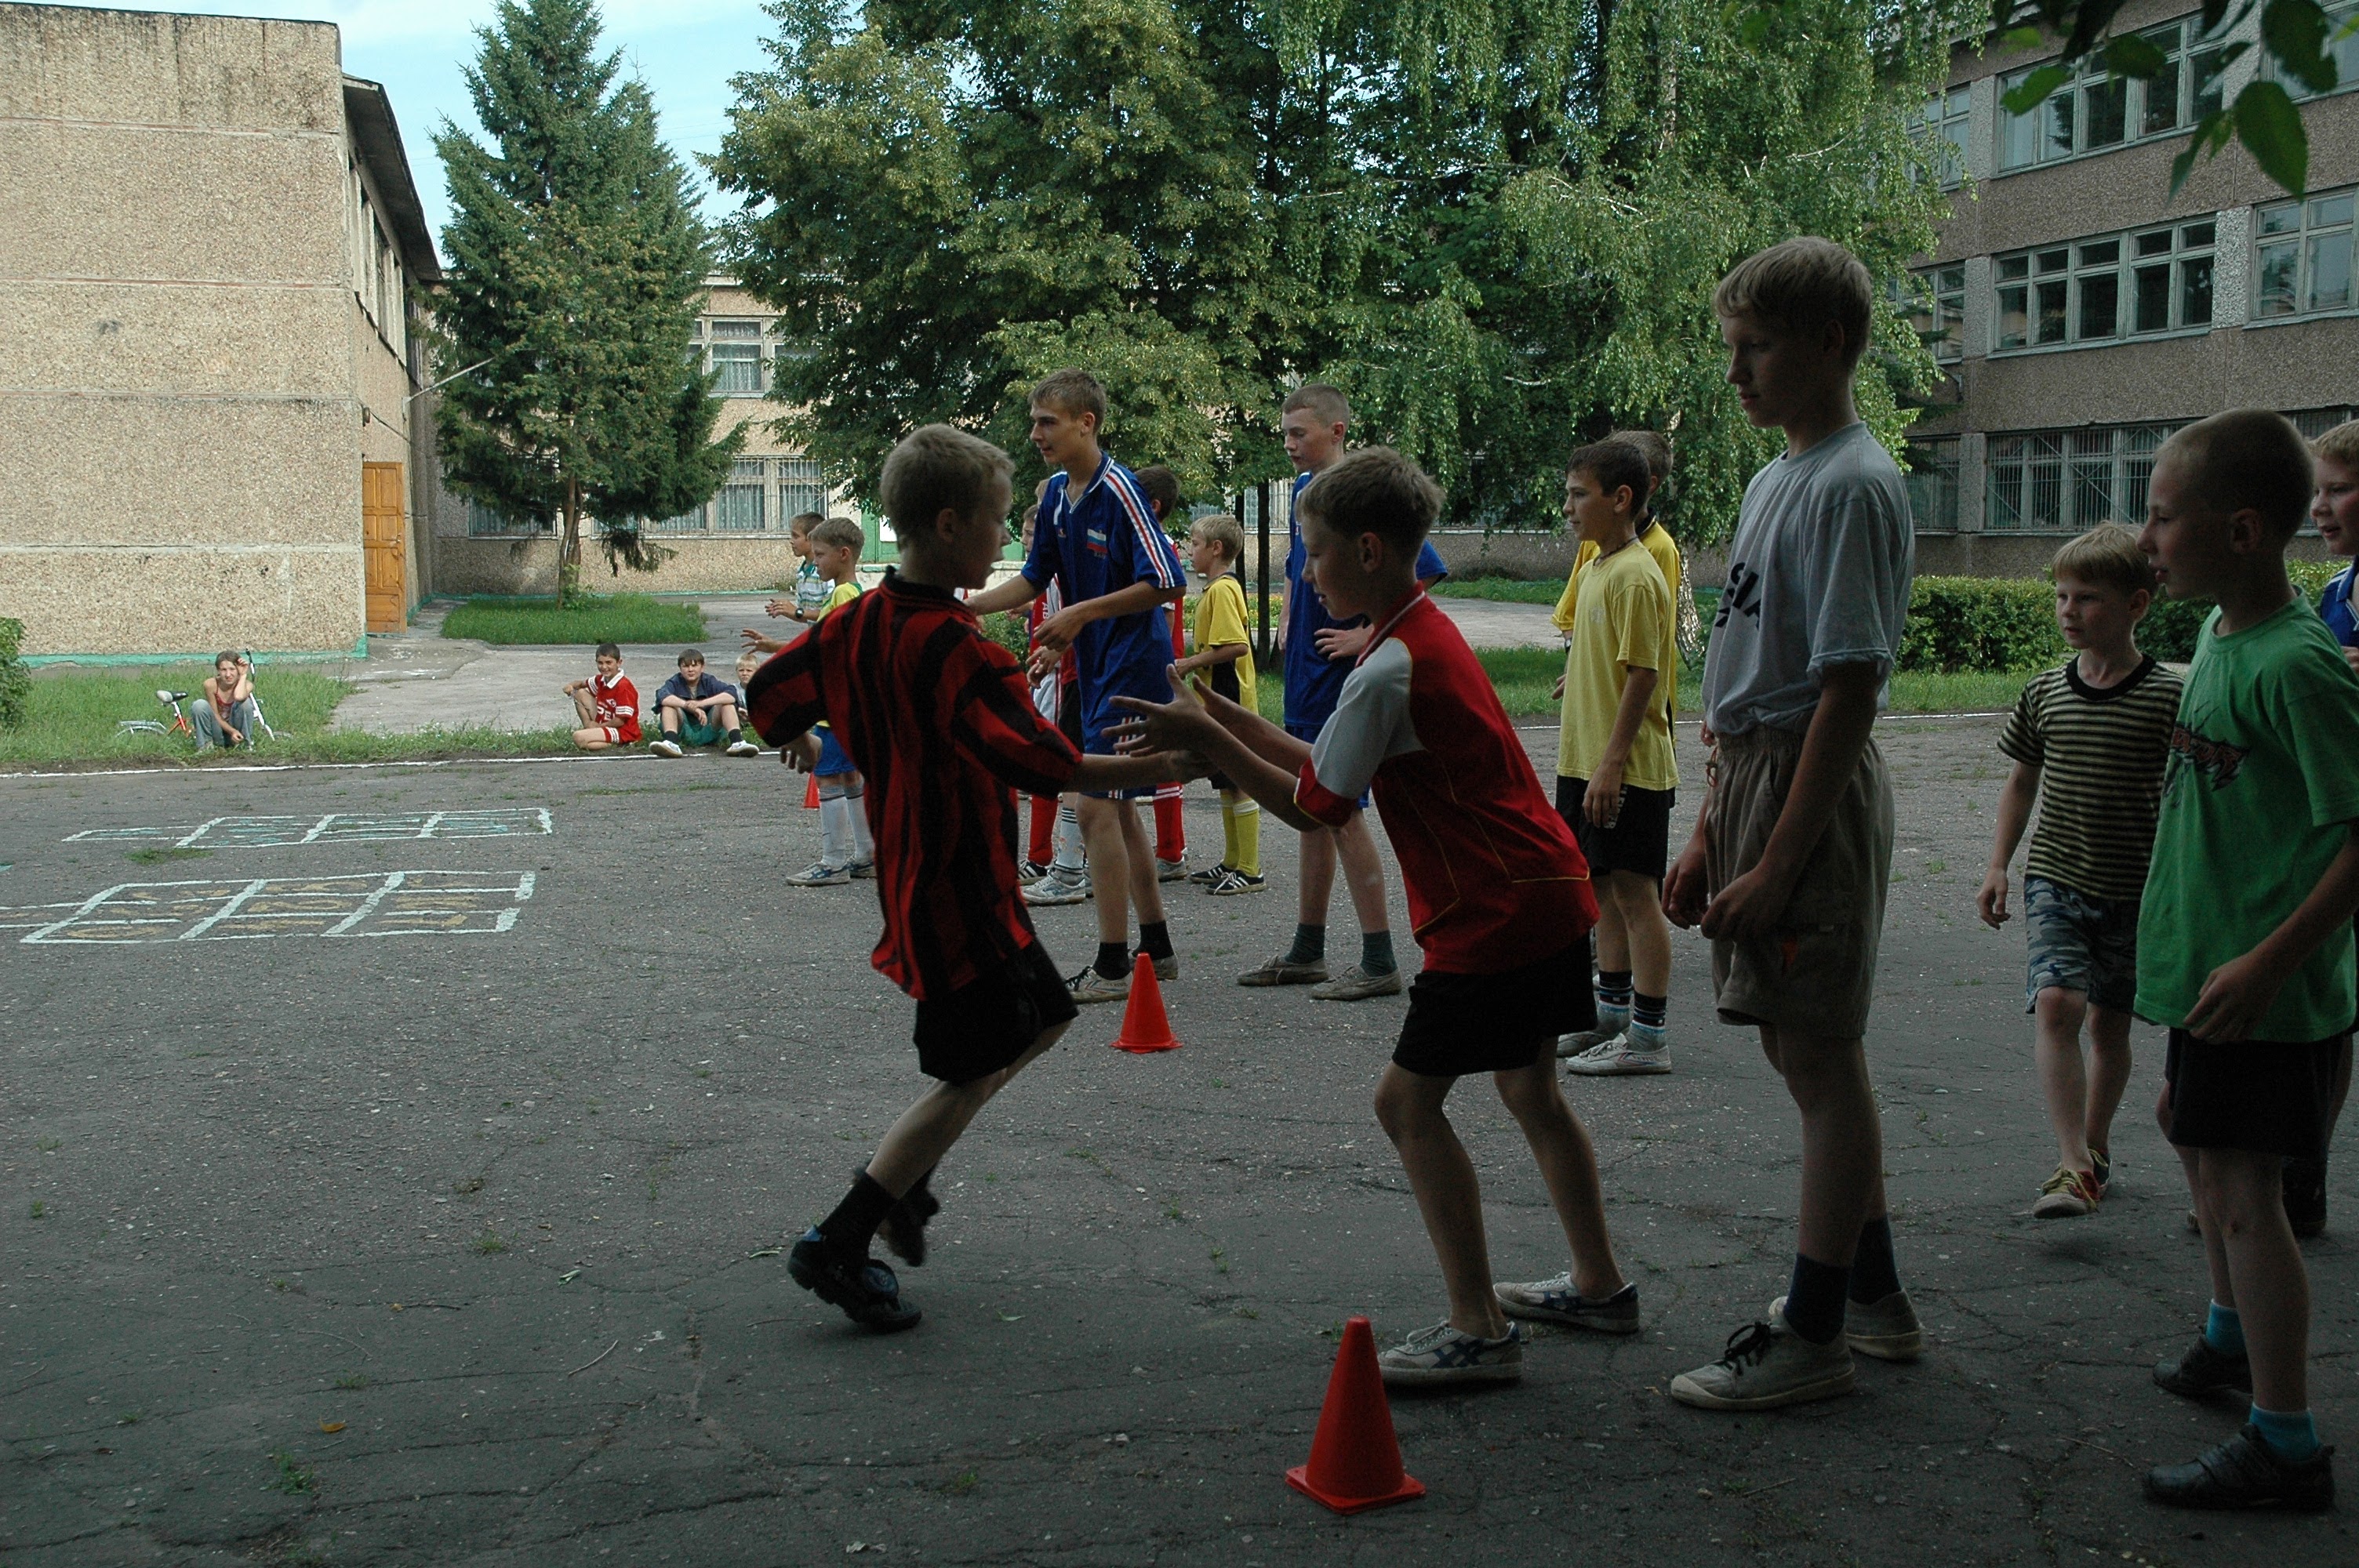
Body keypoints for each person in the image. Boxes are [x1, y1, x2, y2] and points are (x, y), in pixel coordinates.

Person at [1117, 446, 1634, 1387]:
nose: (1305, 573)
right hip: (1544, 888)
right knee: (1529, 1091)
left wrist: (1208, 741)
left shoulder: (1387, 666)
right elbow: (1326, 759)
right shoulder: (1416, 634)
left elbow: (1314, 807)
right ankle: (1598, 1283)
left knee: (1404, 1103)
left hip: (1494, 912)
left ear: (1364, 549)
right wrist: (1218, 723)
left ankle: (1477, 1329)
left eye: (1312, 553)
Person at [743, 423, 1199, 1332]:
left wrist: (792, 733)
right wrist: (1180, 759)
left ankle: (901, 1182)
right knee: (971, 1066)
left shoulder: (854, 623)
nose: (1005, 542)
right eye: (996, 521)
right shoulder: (960, 651)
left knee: (1046, 1017)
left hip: (943, 880)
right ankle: (846, 1232)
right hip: (952, 889)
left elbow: (767, 694)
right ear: (950, 525)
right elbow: (1048, 763)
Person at [1660, 238, 1921, 1410]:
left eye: (1756, 347)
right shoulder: (1779, 477)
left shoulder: (1853, 484)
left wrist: (1776, 860)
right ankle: (1873, 1298)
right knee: (1798, 1047)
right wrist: (1712, 831)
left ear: (1830, 342)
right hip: (1755, 775)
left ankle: (1814, 1330)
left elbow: (1846, 690)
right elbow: (1747, 671)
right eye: (1732, 348)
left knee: (1818, 1056)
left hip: (1808, 783)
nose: (1736, 373)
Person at [2135, 409, 2359, 1512]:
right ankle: (2229, 1339)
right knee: (2196, 1146)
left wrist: (2270, 962)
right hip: (2206, 976)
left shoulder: (2299, 665)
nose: (2145, 541)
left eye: (2161, 518)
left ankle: (2285, 1442)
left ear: (2240, 530)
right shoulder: (2221, 634)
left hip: (2259, 993)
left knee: (2242, 1199)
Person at [1974, 524, 2180, 1219]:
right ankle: (2071, 1163)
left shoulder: (2169, 696)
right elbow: (2021, 781)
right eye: (2062, 595)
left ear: (2137, 605)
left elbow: (2188, 794)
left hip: (2137, 888)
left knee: (2110, 1029)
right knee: (2059, 1003)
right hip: (2057, 877)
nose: (2069, 610)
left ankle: (2093, 1147)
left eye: (2087, 598)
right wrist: (1998, 865)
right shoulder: (2046, 692)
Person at [965, 368, 1188, 1004]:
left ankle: (1114, 966)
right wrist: (965, 608)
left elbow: (1167, 580)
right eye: (1034, 422)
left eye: (1048, 422)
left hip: (1133, 668)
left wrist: (1081, 615)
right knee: (1117, 807)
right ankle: (1157, 949)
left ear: (1087, 423)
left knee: (1093, 805)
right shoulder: (1059, 497)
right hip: (1094, 668)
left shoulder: (1121, 490)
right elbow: (1034, 578)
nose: (1036, 434)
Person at [1241, 383, 1448, 1002]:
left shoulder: (1360, 494)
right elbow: (1297, 571)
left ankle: (1379, 957)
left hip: (1337, 678)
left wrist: (1367, 634)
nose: (1288, 444)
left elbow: (1424, 569)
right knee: (1313, 807)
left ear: (1336, 432)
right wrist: (1286, 621)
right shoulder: (1307, 491)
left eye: (1298, 433)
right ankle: (1308, 948)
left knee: (1342, 812)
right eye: (1284, 433)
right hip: (1305, 675)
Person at [1551, 428, 1686, 1062]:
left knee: (1636, 896)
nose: (1569, 507)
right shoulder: (1598, 568)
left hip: (1624, 769)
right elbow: (1609, 657)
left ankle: (1649, 1035)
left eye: (1580, 495)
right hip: (1584, 762)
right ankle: (1609, 1018)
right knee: (1600, 890)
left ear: (1622, 498)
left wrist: (1611, 766)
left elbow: (1645, 675)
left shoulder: (1635, 574)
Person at [2284, 418, 2359, 1237]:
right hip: (2335, 827)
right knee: (2333, 1005)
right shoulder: (2334, 594)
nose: (2320, 507)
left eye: (2339, 489)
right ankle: (2305, 1167)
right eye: (2317, 490)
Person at [765, 516, 876, 885]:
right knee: (850, 775)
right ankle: (866, 855)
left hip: (835, 707)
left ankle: (833, 862)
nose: (815, 562)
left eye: (820, 555)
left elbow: (827, 648)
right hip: (850, 705)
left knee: (828, 777)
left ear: (844, 554)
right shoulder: (852, 592)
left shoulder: (843, 595)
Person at [1172, 512, 1263, 895]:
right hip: (1220, 701)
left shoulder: (1223, 590)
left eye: (1195, 544)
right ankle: (1232, 861)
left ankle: (1251, 869)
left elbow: (1237, 647)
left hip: (1231, 700)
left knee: (1239, 781)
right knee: (1226, 781)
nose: (1189, 551)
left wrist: (1190, 663)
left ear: (1216, 549)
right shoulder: (1216, 589)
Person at [1135, 464, 1193, 883]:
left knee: (1162, 753)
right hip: (1151, 663)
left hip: (1158, 666)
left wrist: (1162, 665)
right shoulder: (1145, 544)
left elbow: (1166, 614)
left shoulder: (1160, 548)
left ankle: (1171, 850)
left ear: (1152, 506)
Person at [649, 649, 759, 758]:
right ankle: (671, 742)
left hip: (709, 728)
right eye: (686, 666)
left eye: (694, 666)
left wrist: (700, 704)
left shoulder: (709, 681)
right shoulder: (674, 682)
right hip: (682, 729)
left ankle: (737, 742)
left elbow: (731, 694)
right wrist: (689, 706)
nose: (690, 670)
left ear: (702, 667)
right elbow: (662, 696)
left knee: (726, 703)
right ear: (680, 669)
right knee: (668, 706)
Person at [564, 642, 640, 752]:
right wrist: (570, 686)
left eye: (609, 663)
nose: (604, 667)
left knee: (578, 738)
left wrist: (599, 727)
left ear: (619, 663)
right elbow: (581, 684)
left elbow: (620, 721)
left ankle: (622, 744)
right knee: (580, 694)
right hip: (605, 722)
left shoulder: (624, 686)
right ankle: (589, 727)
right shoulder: (601, 679)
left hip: (622, 731)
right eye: (600, 663)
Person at [763, 511, 831, 630]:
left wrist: (796, 611)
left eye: (796, 536)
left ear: (812, 539)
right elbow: (805, 615)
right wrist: (785, 610)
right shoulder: (801, 573)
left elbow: (832, 613)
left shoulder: (826, 572)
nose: (791, 541)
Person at [191, 651, 257, 751]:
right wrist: (232, 731)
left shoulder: (247, 685)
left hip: (237, 733)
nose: (228, 674)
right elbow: (215, 714)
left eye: (232, 669)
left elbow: (239, 697)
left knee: (245, 703)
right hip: (218, 731)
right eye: (223, 670)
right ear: (218, 671)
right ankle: (205, 746)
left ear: (238, 670)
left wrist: (243, 675)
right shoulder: (211, 685)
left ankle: (246, 745)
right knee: (199, 705)